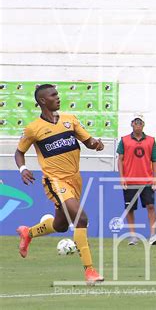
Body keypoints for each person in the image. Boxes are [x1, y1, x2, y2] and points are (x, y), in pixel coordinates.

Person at [14, 84, 104, 285]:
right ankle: (89, 271)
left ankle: (28, 233)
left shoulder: (69, 120)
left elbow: (88, 141)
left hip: (75, 179)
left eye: (57, 94)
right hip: (54, 181)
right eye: (53, 95)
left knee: (61, 225)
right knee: (81, 219)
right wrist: (23, 169)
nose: (58, 97)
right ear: (43, 101)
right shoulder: (33, 129)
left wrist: (96, 144)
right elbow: (19, 152)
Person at [117, 113, 156, 246]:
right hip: (130, 180)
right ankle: (133, 236)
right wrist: (122, 177)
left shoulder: (151, 141)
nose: (137, 125)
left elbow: (154, 160)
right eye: (135, 122)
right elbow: (120, 159)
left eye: (140, 122)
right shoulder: (124, 140)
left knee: (151, 206)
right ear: (131, 124)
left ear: (143, 125)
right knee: (130, 208)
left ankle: (153, 235)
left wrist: (155, 179)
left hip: (146, 180)